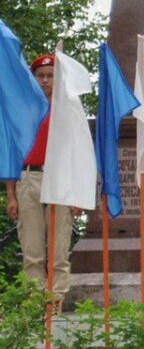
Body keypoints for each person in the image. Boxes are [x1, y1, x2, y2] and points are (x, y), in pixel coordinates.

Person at [3, 54, 78, 301]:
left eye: (50, 76)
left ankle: (55, 300)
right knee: (32, 250)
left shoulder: (67, 109)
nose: (45, 81)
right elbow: (11, 152)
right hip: (29, 179)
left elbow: (77, 153)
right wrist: (11, 194)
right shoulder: (23, 111)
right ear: (34, 79)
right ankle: (36, 302)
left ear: (58, 80)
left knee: (59, 249)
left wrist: (78, 194)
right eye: (41, 76)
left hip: (60, 179)